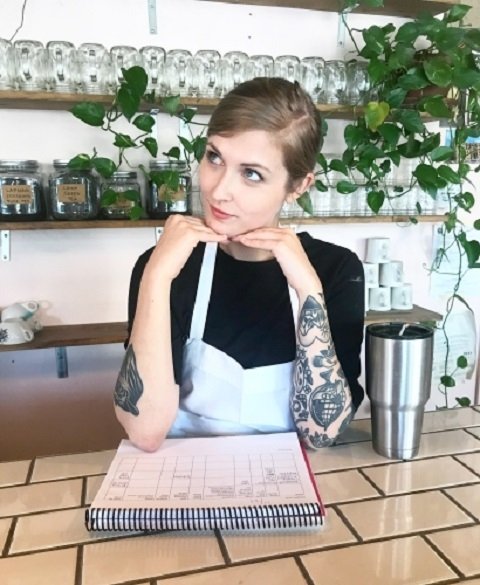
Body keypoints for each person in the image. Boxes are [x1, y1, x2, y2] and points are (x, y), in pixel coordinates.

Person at [114, 77, 365, 451]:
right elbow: (145, 432)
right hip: (183, 477)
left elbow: (321, 434)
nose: (219, 191)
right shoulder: (168, 267)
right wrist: (156, 276)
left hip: (291, 478)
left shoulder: (336, 269)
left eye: (251, 174)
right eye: (214, 157)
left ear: (298, 185)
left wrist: (309, 291)